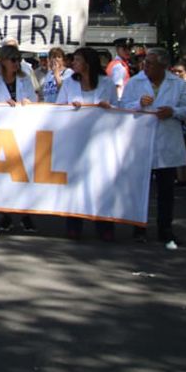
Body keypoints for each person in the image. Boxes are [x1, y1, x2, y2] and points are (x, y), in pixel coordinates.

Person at [120, 47, 186, 250]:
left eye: (150, 63)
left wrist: (173, 111)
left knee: (166, 190)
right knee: (140, 188)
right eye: (145, 63)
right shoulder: (135, 82)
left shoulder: (178, 84)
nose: (145, 67)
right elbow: (122, 107)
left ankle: (165, 229)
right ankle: (139, 228)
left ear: (163, 66)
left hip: (166, 142)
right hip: (141, 141)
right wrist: (138, 103)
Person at [55, 47, 119, 240]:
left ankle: (105, 226)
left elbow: (119, 109)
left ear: (88, 63)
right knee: (75, 183)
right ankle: (74, 225)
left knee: (102, 184)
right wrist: (70, 107)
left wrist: (109, 107)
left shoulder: (107, 83)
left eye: (77, 60)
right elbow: (59, 108)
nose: (73, 63)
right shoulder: (69, 83)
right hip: (76, 141)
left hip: (101, 140)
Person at [0, 45, 39, 232]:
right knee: (3, 175)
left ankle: (25, 215)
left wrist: (29, 103)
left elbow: (34, 100)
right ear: (3, 61)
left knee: (23, 175)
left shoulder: (25, 79)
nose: (17, 63)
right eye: (13, 59)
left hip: (22, 131)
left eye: (19, 60)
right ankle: (5, 215)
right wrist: (1, 104)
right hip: (1, 131)